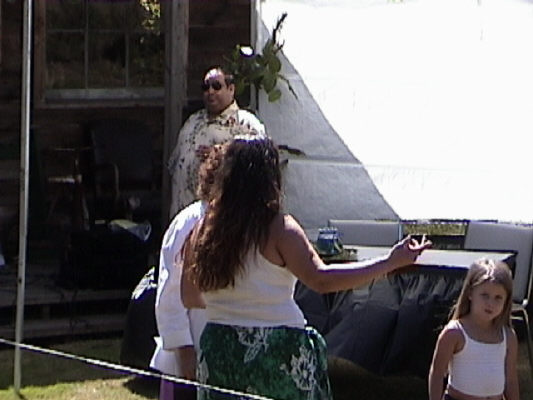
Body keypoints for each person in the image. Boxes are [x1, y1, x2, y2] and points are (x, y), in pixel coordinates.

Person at [181, 135, 432, 400]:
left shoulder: (203, 230)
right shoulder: (279, 229)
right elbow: (321, 280)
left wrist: (230, 303)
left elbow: (189, 296)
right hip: (276, 351)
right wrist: (390, 262)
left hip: (219, 349)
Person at [151, 145, 225, 400]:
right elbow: (170, 295)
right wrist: (184, 350)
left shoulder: (232, 224)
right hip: (189, 353)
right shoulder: (190, 222)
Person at [167, 66, 265, 217]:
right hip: (184, 217)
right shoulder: (193, 121)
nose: (210, 91)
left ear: (231, 89)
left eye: (217, 86)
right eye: (206, 87)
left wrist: (223, 157)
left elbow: (258, 171)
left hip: (222, 219)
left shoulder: (247, 125)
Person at [428, 259, 519, 400]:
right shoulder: (455, 333)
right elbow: (437, 373)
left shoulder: (508, 337)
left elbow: (511, 379)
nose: (490, 303)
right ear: (470, 293)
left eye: (498, 298)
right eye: (485, 295)